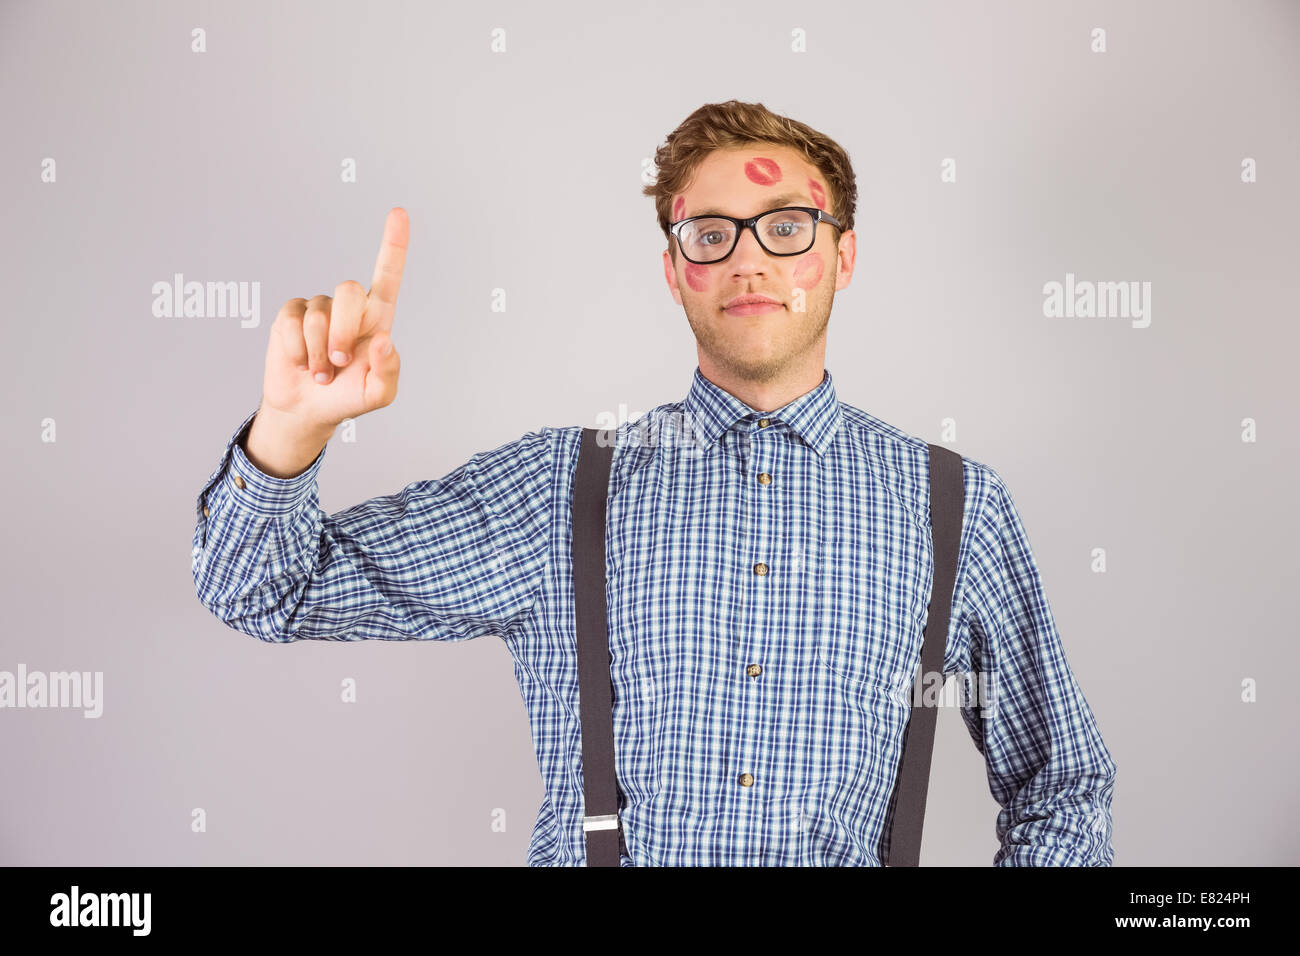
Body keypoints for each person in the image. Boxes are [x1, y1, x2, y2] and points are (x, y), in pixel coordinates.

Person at [191, 99, 1117, 866]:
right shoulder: (561, 487)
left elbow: (1062, 783)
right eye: (711, 234)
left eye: (787, 227)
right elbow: (265, 591)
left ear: (842, 255)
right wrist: (294, 427)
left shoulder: (955, 506)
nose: (749, 257)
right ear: (676, 272)